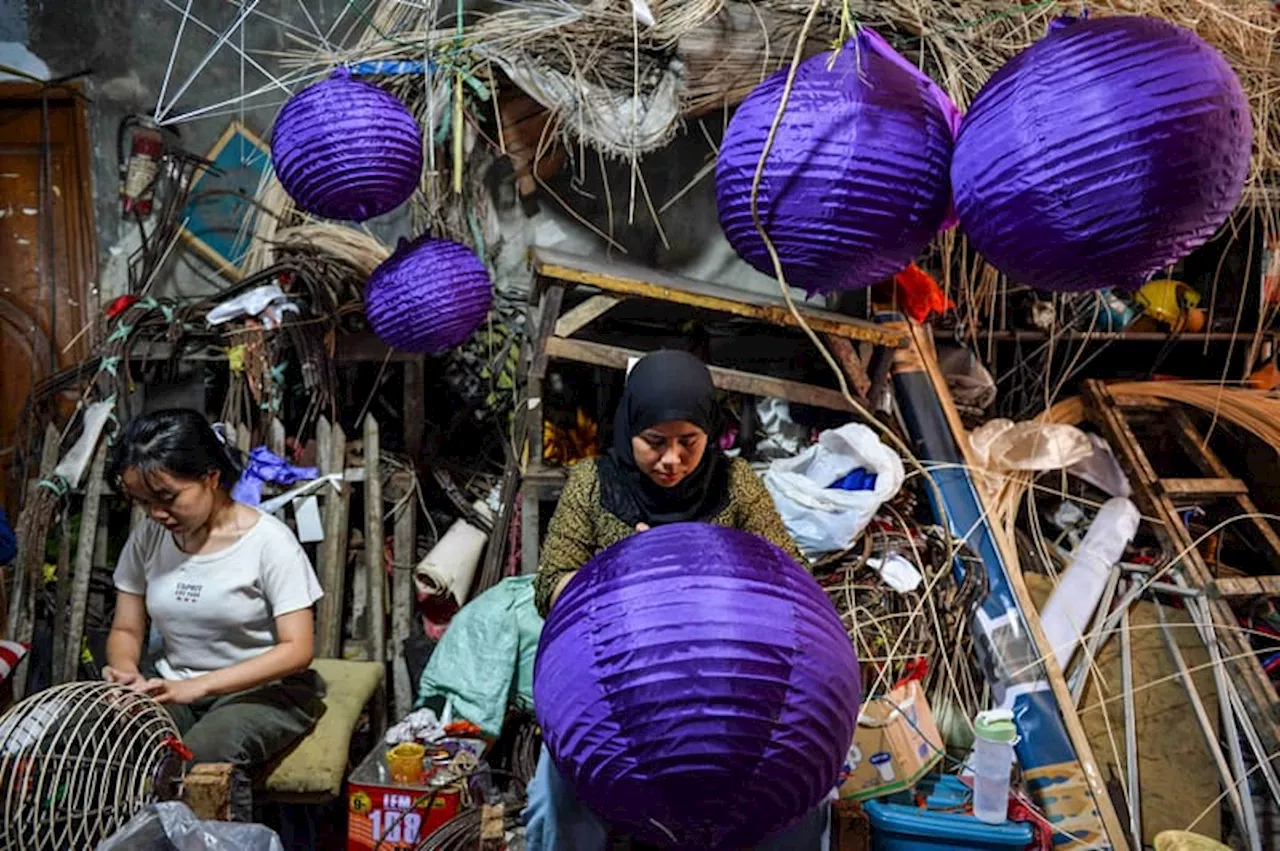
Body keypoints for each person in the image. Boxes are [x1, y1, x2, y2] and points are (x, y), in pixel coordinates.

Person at [526, 349, 830, 851]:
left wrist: (702, 571)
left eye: (689, 442)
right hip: (616, 690)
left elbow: (792, 577)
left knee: (801, 786)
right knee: (557, 802)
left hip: (728, 686)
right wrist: (625, 572)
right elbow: (550, 586)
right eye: (654, 442)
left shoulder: (736, 485)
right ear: (629, 429)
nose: (672, 460)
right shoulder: (591, 485)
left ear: (711, 430)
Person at [104, 409, 324, 773]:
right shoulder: (148, 539)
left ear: (211, 477)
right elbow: (126, 630)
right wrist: (127, 674)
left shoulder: (269, 543)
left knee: (202, 756)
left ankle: (214, 832)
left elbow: (297, 650)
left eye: (167, 497)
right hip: (174, 687)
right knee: (119, 740)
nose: (156, 513)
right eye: (144, 502)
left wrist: (199, 687)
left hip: (265, 690)